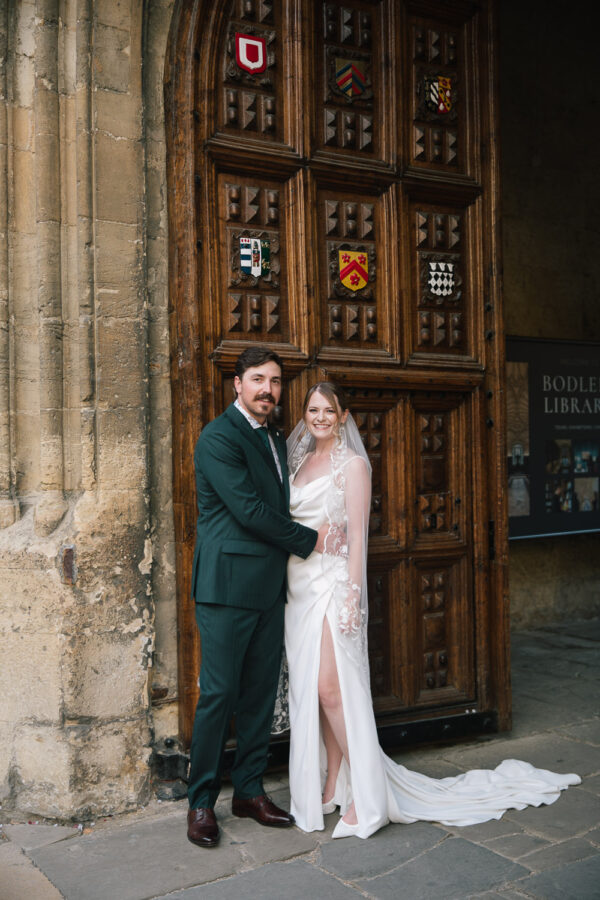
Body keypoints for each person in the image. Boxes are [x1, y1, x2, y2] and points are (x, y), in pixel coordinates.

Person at [284, 382, 581, 839]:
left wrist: (353, 598)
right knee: (316, 692)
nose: (320, 417)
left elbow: (359, 538)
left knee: (331, 691)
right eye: (313, 410)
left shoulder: (354, 465)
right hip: (298, 587)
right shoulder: (300, 461)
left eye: (329, 410)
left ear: (344, 417)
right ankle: (330, 784)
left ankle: (366, 793)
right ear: (305, 415)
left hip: (332, 587)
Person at [187, 347, 331, 848]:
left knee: (259, 696)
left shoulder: (273, 436)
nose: (267, 389)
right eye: (257, 380)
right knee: (219, 695)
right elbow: (248, 510)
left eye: (274, 381)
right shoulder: (218, 437)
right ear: (237, 384)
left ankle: (249, 791)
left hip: (270, 588)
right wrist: (311, 541)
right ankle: (201, 801)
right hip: (226, 588)